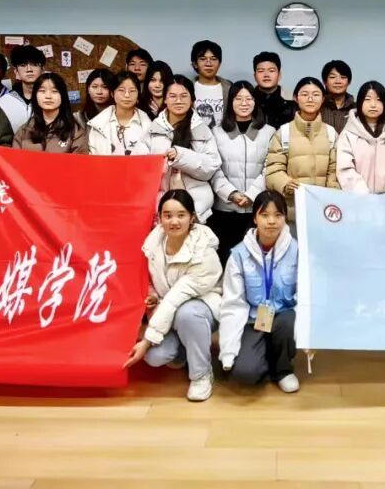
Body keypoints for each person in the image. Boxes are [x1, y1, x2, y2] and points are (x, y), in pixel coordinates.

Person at [126, 190, 222, 402]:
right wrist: (152, 296)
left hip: (201, 310)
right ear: (159, 218)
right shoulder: (153, 244)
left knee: (187, 313)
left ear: (192, 217)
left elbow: (175, 298)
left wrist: (147, 340)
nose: (174, 221)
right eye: (167, 215)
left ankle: (201, 374)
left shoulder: (204, 251)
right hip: (168, 313)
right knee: (155, 357)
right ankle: (187, 354)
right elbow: (149, 281)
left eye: (181, 215)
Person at [219, 190, 300, 393]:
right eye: (265, 215)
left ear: (285, 218)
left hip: (284, 318)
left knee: (288, 320)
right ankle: (265, 356)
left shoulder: (297, 251)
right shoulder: (238, 255)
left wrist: (307, 332)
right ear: (255, 218)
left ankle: (283, 370)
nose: (271, 221)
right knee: (245, 374)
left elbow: (304, 295)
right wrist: (228, 350)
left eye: (278, 215)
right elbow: (233, 304)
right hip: (252, 320)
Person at [210, 81, 276, 264]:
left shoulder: (268, 132)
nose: (244, 103)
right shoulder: (217, 132)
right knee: (227, 259)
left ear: (255, 102)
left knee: (256, 260)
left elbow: (270, 167)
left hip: (257, 207)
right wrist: (231, 193)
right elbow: (213, 168)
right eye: (238, 99)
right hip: (225, 208)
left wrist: (251, 195)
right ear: (230, 102)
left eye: (249, 98)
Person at [144, 76, 221, 222]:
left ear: (192, 99)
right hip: (159, 208)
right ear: (165, 99)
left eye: (184, 96)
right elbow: (141, 169)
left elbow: (210, 167)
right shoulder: (153, 130)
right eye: (173, 96)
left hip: (196, 208)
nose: (178, 101)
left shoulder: (202, 130)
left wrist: (181, 156)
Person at [265, 77, 338, 222]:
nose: (310, 99)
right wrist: (285, 184)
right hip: (292, 210)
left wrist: (332, 194)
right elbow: (273, 170)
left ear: (323, 99)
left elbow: (334, 171)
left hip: (324, 210)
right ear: (295, 98)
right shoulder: (283, 133)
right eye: (304, 94)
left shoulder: (331, 133)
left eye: (316, 94)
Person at [336, 81, 385, 193]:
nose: (373, 104)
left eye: (378, 100)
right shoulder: (348, 135)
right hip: (358, 199)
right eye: (367, 99)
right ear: (359, 102)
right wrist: (363, 194)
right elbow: (345, 168)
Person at [12, 72, 88, 153]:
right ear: (35, 96)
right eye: (42, 91)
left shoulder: (75, 131)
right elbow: (14, 159)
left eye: (54, 91)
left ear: (62, 96)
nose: (48, 96)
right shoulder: (24, 131)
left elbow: (80, 159)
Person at [87, 72, 151, 156]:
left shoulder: (148, 126)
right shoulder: (98, 125)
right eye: (121, 90)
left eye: (132, 91)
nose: (127, 95)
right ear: (112, 93)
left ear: (138, 94)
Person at [0, 44, 46, 133]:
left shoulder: (52, 98)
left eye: (35, 64)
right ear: (16, 72)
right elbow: (2, 136)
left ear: (42, 70)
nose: (29, 69)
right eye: (23, 65)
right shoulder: (4, 101)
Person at [190, 40, 232, 128]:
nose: (208, 63)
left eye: (213, 59)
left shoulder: (229, 87)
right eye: (203, 59)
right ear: (195, 64)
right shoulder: (186, 88)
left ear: (219, 64)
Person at [252, 51, 295, 129]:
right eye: (261, 71)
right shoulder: (247, 100)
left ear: (279, 75)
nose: (266, 75)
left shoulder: (292, 99)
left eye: (271, 71)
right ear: (255, 76)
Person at [320, 59, 354, 133]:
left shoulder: (356, 109)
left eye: (343, 77)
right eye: (332, 77)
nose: (338, 81)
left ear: (349, 82)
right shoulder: (316, 106)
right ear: (324, 81)